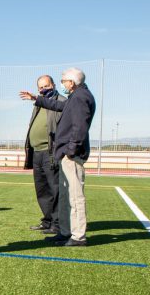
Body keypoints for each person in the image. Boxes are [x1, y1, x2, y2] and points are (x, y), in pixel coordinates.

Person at [20, 68, 95, 246]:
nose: (62, 83)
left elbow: (79, 126)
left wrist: (71, 150)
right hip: (65, 154)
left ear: (72, 82)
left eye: (64, 80)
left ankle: (78, 236)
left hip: (71, 155)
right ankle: (65, 231)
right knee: (66, 197)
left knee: (75, 197)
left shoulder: (80, 97)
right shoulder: (75, 97)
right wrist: (36, 98)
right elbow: (59, 106)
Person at [20, 75, 66, 235]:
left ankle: (57, 224)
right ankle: (47, 221)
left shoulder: (60, 101)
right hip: (37, 152)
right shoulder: (38, 103)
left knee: (55, 189)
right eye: (40, 87)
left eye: (46, 85)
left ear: (53, 84)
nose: (43, 89)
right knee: (42, 190)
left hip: (50, 152)